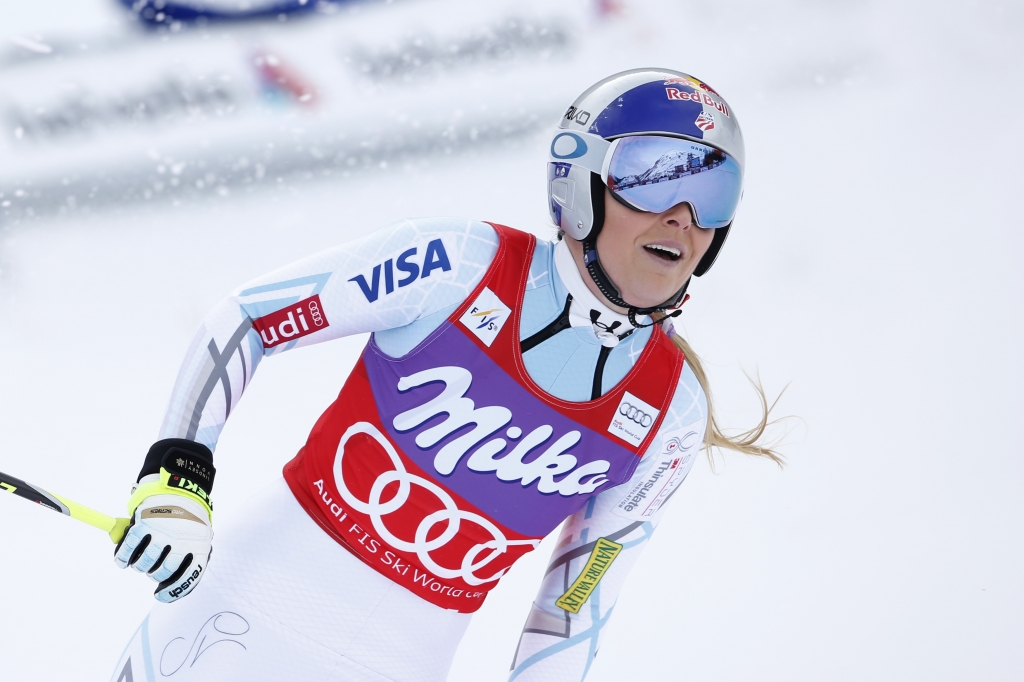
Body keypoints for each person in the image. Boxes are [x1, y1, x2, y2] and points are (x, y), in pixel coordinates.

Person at [109, 68, 782, 682]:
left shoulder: (672, 411)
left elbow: (575, 607)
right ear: (583, 183)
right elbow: (250, 320)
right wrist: (177, 480)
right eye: (655, 178)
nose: (683, 219)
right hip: (230, 621)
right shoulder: (454, 265)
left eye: (712, 194)